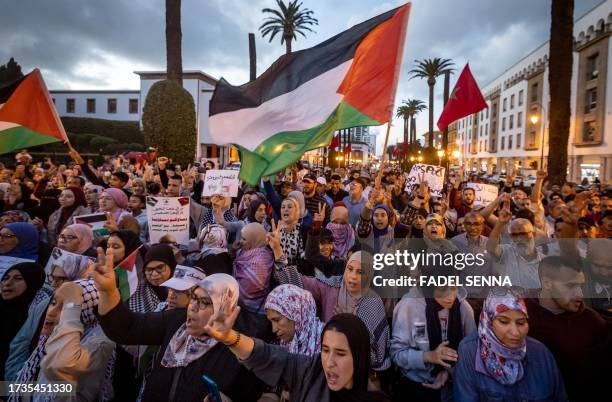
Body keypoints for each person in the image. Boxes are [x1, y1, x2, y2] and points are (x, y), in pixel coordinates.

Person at [93, 248, 265, 402]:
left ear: (224, 308)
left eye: (205, 302)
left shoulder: (240, 348)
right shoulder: (176, 320)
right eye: (194, 298)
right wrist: (108, 291)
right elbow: (128, 328)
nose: (193, 307)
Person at [206, 306, 390, 402]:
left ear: (359, 356)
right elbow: (267, 356)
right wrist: (229, 337)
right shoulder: (311, 372)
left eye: (340, 353)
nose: (330, 362)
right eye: (325, 350)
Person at [273, 245, 390, 371]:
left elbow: (376, 354)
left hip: (356, 370)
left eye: (360, 272)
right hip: (325, 362)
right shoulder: (332, 286)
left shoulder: (373, 302)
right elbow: (297, 285)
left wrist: (352, 326)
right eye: (350, 269)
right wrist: (277, 250)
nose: (353, 276)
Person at [454, 289, 567, 401]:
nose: (515, 332)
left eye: (521, 322)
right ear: (488, 321)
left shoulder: (541, 354)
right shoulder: (470, 351)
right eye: (504, 321)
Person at [525, 256, 608, 400]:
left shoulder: (593, 323)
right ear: (547, 283)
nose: (580, 294)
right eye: (571, 286)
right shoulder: (519, 312)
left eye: (581, 286)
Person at [390, 264, 476, 401]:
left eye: (453, 288)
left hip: (453, 384)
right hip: (416, 384)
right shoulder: (409, 306)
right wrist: (428, 356)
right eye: (442, 289)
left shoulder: (463, 309)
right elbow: (396, 354)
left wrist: (449, 372)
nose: (450, 296)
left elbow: (472, 354)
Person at [36, 279, 116, 402]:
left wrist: (72, 305)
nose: (50, 312)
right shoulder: (53, 337)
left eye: (64, 306)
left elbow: (61, 365)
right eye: (53, 303)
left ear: (87, 310)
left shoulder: (99, 344)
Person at [0, 262, 46, 380]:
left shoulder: (40, 316)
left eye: (18, 278)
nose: (8, 283)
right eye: (5, 278)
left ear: (32, 282)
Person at [264, 284, 324, 356]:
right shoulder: (286, 344)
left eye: (277, 320)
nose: (274, 329)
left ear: (297, 315)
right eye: (271, 322)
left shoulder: (327, 342)